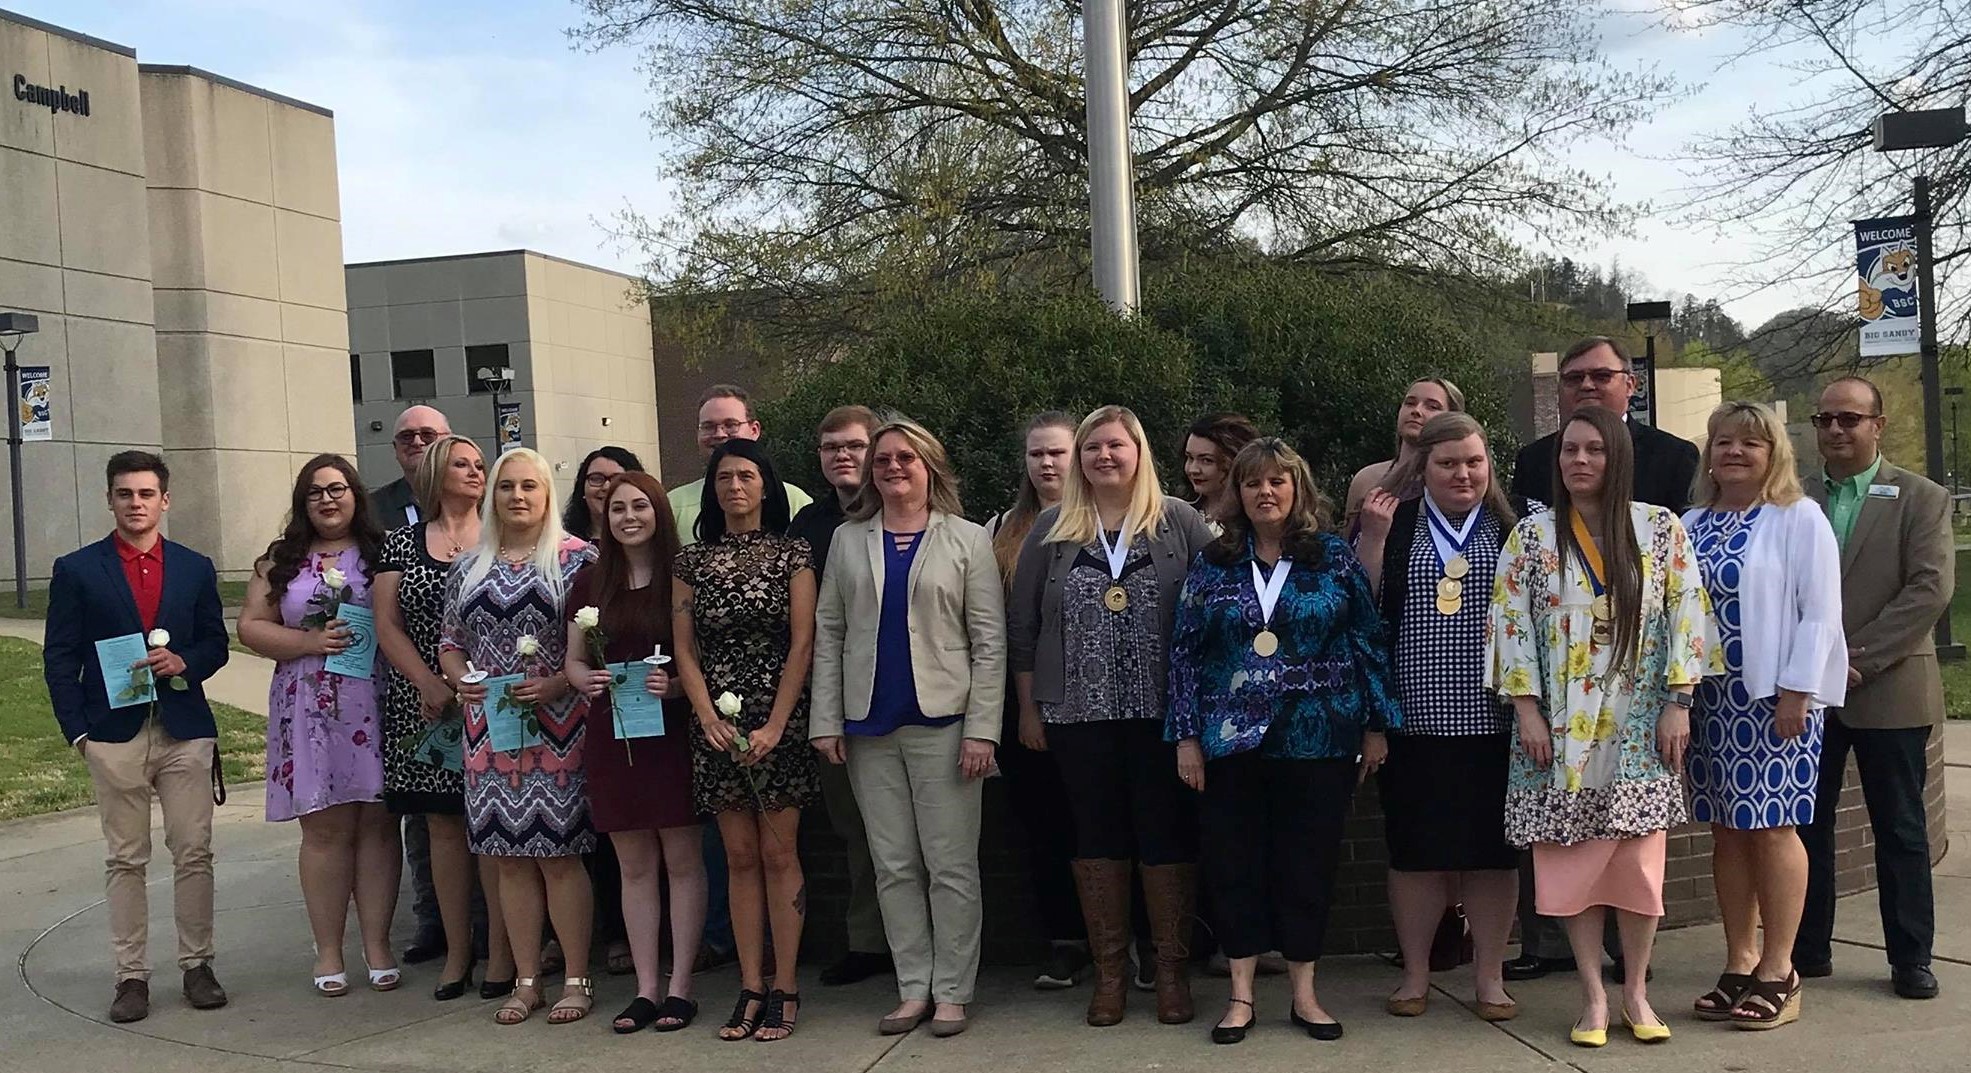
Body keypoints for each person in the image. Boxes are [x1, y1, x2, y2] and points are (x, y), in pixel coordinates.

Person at [1487, 406, 1714, 1048]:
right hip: (1557, 728)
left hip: (1640, 722)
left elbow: (1686, 615)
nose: (1579, 461)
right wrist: (1525, 708)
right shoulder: (1531, 537)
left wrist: (1680, 700)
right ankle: (1591, 994)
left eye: (1594, 450)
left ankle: (1636, 990)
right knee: (1572, 865)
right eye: (1569, 451)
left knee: (1638, 870)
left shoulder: (1660, 529)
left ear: (1618, 458)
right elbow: (1510, 626)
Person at [1168, 437, 1400, 1045]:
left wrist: (1376, 724)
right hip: (1229, 741)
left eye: (1277, 481)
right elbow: (1186, 652)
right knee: (1232, 861)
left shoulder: (1330, 557)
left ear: (1297, 489)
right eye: (1251, 483)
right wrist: (1186, 736)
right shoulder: (1214, 562)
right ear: (1237, 494)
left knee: (1307, 864)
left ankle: (1304, 994)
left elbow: (1366, 639)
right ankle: (1241, 996)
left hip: (1318, 735)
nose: (1264, 492)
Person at [1008, 405, 1215, 1027]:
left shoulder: (1177, 521)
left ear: (1138, 452)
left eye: (1115, 446)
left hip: (1163, 715)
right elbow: (1024, 627)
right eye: (1092, 446)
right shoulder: (1052, 528)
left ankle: (1170, 971)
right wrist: (1028, 709)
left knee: (1164, 835)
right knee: (1095, 837)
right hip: (1077, 713)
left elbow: (1215, 602)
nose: (1103, 456)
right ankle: (1109, 975)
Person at [812, 418, 1007, 1038]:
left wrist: (984, 730)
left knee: (950, 865)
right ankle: (912, 988)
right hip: (869, 725)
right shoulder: (847, 539)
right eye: (883, 460)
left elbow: (990, 643)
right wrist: (825, 720)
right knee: (893, 864)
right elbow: (830, 635)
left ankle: (953, 990)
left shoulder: (968, 540)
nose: (894, 468)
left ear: (930, 467)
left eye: (907, 459)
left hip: (947, 727)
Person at [44, 451, 232, 1024]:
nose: (136, 504)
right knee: (126, 859)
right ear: (110, 499)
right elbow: (60, 656)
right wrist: (79, 733)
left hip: (183, 730)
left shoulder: (195, 566)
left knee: (193, 851)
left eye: (146, 494)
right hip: (113, 732)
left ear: (164, 500)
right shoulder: (77, 569)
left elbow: (215, 643)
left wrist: (185, 661)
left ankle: (197, 965)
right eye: (125, 494)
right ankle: (131, 977)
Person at [1354, 412, 1530, 1024]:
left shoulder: (1516, 529)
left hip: (1497, 723)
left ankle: (1489, 976)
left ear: (1490, 468)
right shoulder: (1394, 524)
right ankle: (1416, 973)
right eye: (1448, 463)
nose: (1463, 473)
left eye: (1474, 462)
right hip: (1412, 722)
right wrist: (1371, 541)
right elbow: (1363, 612)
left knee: (1492, 856)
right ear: (1422, 469)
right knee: (1415, 854)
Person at [1681, 401, 1846, 1029]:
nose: (1735, 453)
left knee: (1775, 828)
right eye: (1723, 443)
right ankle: (1740, 959)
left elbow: (1821, 613)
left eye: (1750, 443)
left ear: (1773, 453)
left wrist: (1798, 690)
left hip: (1774, 702)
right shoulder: (1692, 522)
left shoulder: (1798, 519)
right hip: (1709, 702)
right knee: (1727, 829)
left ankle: (1781, 968)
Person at [1795, 376, 1953, 1001]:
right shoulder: (1794, 498)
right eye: (1825, 418)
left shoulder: (1922, 497)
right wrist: (1816, 668)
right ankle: (1807, 950)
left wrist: (1854, 661)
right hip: (1807, 695)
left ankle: (1911, 958)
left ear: (1877, 425)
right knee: (1807, 828)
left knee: (1902, 831)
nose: (1836, 429)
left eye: (1850, 419)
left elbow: (1929, 591)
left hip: (1889, 690)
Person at [437, 448, 598, 1026]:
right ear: (492, 496)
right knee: (507, 858)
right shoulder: (468, 565)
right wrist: (463, 682)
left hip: (561, 726)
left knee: (558, 855)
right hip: (490, 731)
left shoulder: (578, 560)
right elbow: (450, 641)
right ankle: (527, 979)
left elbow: (594, 641)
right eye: (506, 487)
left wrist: (558, 680)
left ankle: (576, 977)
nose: (518, 497)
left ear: (547, 494)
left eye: (529, 486)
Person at [673, 438, 822, 1042]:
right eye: (725, 477)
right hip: (714, 726)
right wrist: (706, 714)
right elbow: (683, 647)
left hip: (776, 721)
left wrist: (776, 724)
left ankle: (786, 983)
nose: (735, 486)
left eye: (747, 476)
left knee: (779, 854)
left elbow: (803, 642)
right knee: (736, 856)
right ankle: (751, 983)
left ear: (767, 486)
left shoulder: (794, 554)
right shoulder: (690, 561)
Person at [236, 455, 400, 996]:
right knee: (325, 828)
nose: (328, 500)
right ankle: (328, 949)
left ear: (357, 494)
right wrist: (309, 642)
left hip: (374, 698)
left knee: (377, 823)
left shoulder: (384, 554)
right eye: (315, 492)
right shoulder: (279, 561)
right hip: (308, 703)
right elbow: (251, 628)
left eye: (338, 489)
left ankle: (377, 942)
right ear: (303, 503)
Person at [562, 472, 706, 1033]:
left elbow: (698, 657)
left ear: (658, 512)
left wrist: (674, 686)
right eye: (617, 508)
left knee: (683, 860)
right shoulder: (591, 584)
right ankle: (646, 987)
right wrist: (584, 680)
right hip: (613, 735)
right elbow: (572, 658)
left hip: (670, 736)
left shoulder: (682, 578)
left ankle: (682, 987)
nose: (628, 516)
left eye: (639, 506)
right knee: (634, 866)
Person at [374, 434, 512, 1001]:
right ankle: (458, 952)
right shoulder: (402, 545)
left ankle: (501, 953)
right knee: (445, 831)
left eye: (482, 465)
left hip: (495, 704)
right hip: (427, 704)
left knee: (499, 832)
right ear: (434, 472)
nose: (476, 472)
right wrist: (430, 681)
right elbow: (387, 626)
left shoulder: (503, 540)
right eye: (463, 464)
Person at [788, 404, 895, 988]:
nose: (842, 456)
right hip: (837, 700)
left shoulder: (909, 510)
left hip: (909, 696)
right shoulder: (808, 526)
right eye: (831, 448)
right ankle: (869, 941)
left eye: (854, 445)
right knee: (856, 829)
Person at [987, 411, 1092, 990]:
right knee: (1045, 826)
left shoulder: (1105, 520)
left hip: (1096, 701)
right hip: (1025, 702)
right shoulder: (1001, 527)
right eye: (1036, 455)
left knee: (1099, 823)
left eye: (1057, 452)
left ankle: (1127, 940)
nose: (1047, 464)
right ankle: (1065, 941)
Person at [560, 443, 648, 980]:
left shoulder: (671, 570)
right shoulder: (580, 568)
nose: (607, 492)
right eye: (596, 482)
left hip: (660, 721)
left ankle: (651, 950)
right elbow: (571, 654)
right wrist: (580, 676)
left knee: (667, 853)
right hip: (599, 721)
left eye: (620, 485)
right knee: (608, 843)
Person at [369, 403, 453, 965]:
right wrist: (424, 678)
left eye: (430, 435)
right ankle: (434, 922)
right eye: (407, 438)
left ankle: (495, 927)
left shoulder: (488, 500)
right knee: (427, 815)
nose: (417, 443)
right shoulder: (377, 511)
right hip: (413, 685)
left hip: (483, 680)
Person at [1510, 338, 1700, 511]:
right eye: (1574, 378)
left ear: (1630, 385)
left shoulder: (1675, 458)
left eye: (1601, 376)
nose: (1586, 385)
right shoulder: (1533, 461)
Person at [670, 384, 814, 547]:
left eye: (731, 425)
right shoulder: (673, 505)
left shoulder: (795, 500)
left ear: (754, 430)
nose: (719, 434)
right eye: (708, 426)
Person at [1343, 378, 1465, 530]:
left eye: (1432, 407)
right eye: (1410, 403)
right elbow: (1348, 547)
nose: (1417, 410)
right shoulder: (1367, 479)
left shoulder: (1459, 483)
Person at [373, 404, 451, 528]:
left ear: (449, 443)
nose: (417, 442)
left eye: (427, 434)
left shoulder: (476, 499)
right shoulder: (373, 509)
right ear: (395, 447)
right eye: (406, 436)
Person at [1181, 413, 1260, 528]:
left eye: (1207, 460)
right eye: (1190, 458)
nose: (1193, 469)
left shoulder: (1255, 520)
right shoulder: (1178, 513)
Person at [563, 445, 646, 541]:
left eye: (617, 479)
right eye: (596, 479)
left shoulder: (652, 545)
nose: (606, 487)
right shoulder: (564, 547)